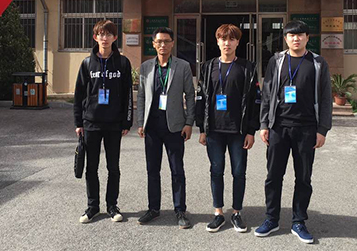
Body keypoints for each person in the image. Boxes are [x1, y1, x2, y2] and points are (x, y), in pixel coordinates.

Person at [254, 20, 332, 243]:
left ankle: (299, 221)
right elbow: (267, 93)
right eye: (291, 35)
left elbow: (326, 97)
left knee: (303, 178)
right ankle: (271, 219)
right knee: (273, 176)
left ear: (307, 37)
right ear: (285, 39)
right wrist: (264, 124)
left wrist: (322, 129)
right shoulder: (276, 61)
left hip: (307, 128)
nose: (296, 38)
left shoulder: (317, 63)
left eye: (300, 35)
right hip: (279, 127)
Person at [196, 24, 260, 233]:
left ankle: (236, 213)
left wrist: (251, 131)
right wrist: (202, 128)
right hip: (214, 129)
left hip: (238, 131)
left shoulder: (247, 67)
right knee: (216, 171)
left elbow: (255, 101)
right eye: (223, 39)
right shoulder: (208, 67)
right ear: (217, 41)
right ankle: (218, 213)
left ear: (238, 42)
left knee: (239, 172)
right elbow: (201, 97)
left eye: (232, 39)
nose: (227, 43)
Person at [74, 20, 133, 224]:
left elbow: (127, 95)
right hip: (91, 123)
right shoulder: (87, 63)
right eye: (101, 34)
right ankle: (92, 207)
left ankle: (112, 206)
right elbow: (79, 95)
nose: (104, 38)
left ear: (115, 38)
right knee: (91, 167)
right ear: (95, 37)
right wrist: (78, 123)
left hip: (114, 124)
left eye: (108, 34)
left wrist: (126, 122)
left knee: (113, 167)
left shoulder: (122, 63)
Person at [136, 27, 195, 229]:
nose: (163, 45)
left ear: (172, 44)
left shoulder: (183, 66)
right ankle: (153, 208)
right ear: (153, 44)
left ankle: (180, 210)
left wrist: (189, 123)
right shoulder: (146, 67)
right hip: (152, 127)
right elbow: (141, 96)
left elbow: (190, 95)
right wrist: (141, 122)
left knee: (177, 170)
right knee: (152, 170)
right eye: (159, 41)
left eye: (166, 41)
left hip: (175, 127)